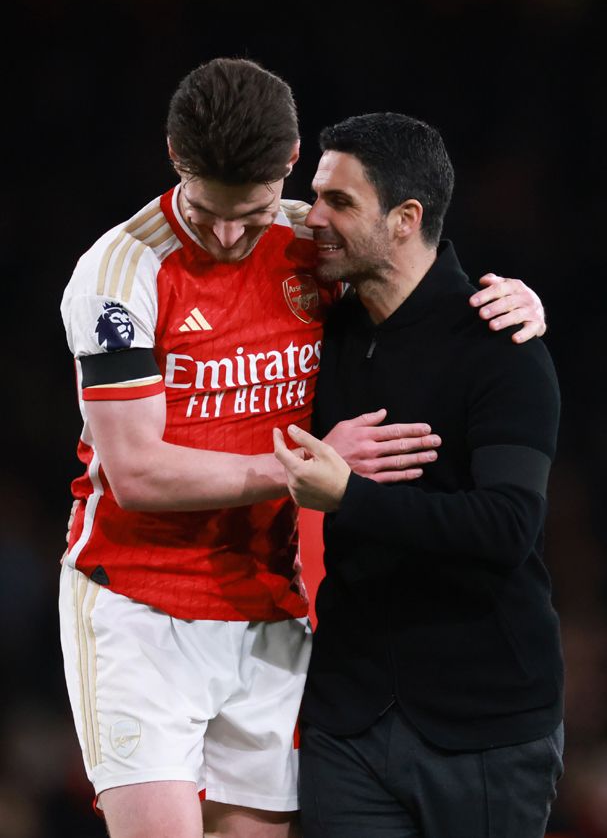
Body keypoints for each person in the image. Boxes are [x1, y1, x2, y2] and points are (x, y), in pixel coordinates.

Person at [59, 58, 547, 838]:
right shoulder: (119, 273)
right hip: (138, 604)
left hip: (265, 606)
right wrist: (308, 470)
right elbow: (137, 472)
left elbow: (409, 274)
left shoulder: (307, 242)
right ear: (173, 157)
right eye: (208, 209)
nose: (226, 236)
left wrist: (510, 298)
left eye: (249, 214)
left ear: (288, 166)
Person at [274, 113, 563, 838]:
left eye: (340, 203)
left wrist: (350, 498)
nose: (315, 218)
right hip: (349, 720)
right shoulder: (324, 330)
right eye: (316, 195)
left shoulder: (502, 344)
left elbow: (506, 526)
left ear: (405, 219)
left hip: (487, 726)